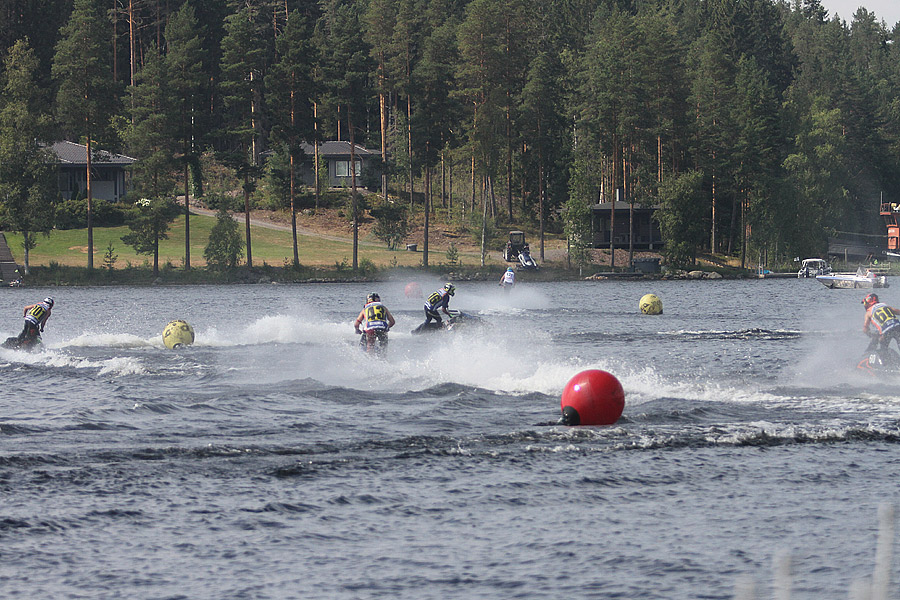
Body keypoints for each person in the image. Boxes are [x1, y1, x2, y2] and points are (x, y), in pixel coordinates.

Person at [862, 293, 900, 363]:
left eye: (865, 303)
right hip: (898, 326)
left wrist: (870, 335)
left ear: (868, 303)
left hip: (886, 331)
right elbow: (898, 311)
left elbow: (865, 329)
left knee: (883, 349)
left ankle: (887, 366)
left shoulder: (869, 313)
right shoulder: (884, 305)